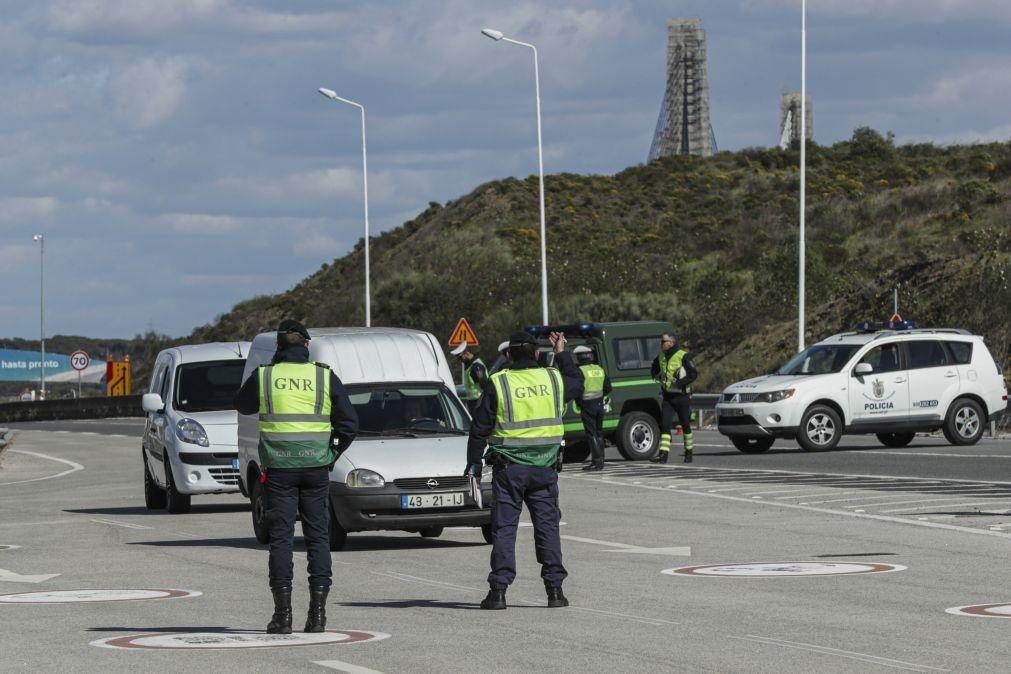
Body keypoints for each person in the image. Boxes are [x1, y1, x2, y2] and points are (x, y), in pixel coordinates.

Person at [234, 319, 358, 635]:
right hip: (316, 469)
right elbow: (350, 424)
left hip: (278, 471)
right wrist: (331, 455)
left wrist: (267, 369)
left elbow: (242, 405)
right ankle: (317, 616)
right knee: (318, 539)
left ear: (278, 347)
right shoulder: (323, 375)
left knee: (281, 540)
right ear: (306, 346)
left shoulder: (265, 376)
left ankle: (282, 616)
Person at [465, 330, 583, 610]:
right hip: (545, 469)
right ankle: (555, 592)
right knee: (547, 528)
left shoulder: (498, 382)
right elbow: (578, 383)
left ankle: (498, 592)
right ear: (538, 354)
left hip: (510, 470)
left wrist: (474, 464)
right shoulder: (553, 378)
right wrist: (563, 352)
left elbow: (478, 428)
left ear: (508, 356)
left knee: (505, 529)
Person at [650, 332, 698, 464]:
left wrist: (679, 382)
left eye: (663, 341)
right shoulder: (660, 356)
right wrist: (656, 375)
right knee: (665, 426)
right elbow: (653, 369)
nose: (661, 344)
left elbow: (693, 374)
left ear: (671, 343)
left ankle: (689, 452)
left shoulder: (683, 356)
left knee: (685, 426)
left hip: (682, 397)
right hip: (668, 398)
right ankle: (663, 455)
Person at [573, 345, 612, 472]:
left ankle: (596, 462)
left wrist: (580, 402)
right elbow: (608, 387)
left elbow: (577, 390)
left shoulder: (579, 371)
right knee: (599, 432)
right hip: (599, 404)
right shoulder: (599, 369)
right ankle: (601, 461)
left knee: (591, 434)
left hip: (587, 404)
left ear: (579, 357)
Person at [451, 341, 487, 414]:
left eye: (460, 358)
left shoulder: (477, 366)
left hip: (479, 402)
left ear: (466, 353)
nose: (460, 361)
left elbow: (484, 383)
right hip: (473, 401)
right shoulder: (469, 366)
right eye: (458, 359)